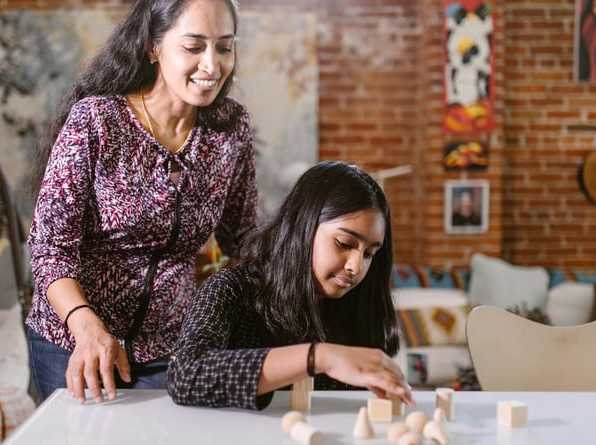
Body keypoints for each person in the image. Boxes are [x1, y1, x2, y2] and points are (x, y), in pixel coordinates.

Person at [26, 0, 257, 405]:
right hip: (72, 339)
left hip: (170, 347)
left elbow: (244, 238)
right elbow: (49, 249)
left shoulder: (230, 129)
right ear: (154, 47)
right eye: (193, 47)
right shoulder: (97, 121)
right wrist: (86, 326)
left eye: (224, 47)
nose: (211, 65)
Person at [168, 161, 415, 410]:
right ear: (303, 227)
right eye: (344, 243)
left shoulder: (358, 308)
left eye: (370, 253)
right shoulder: (230, 289)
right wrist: (320, 357)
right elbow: (186, 375)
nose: (356, 266)